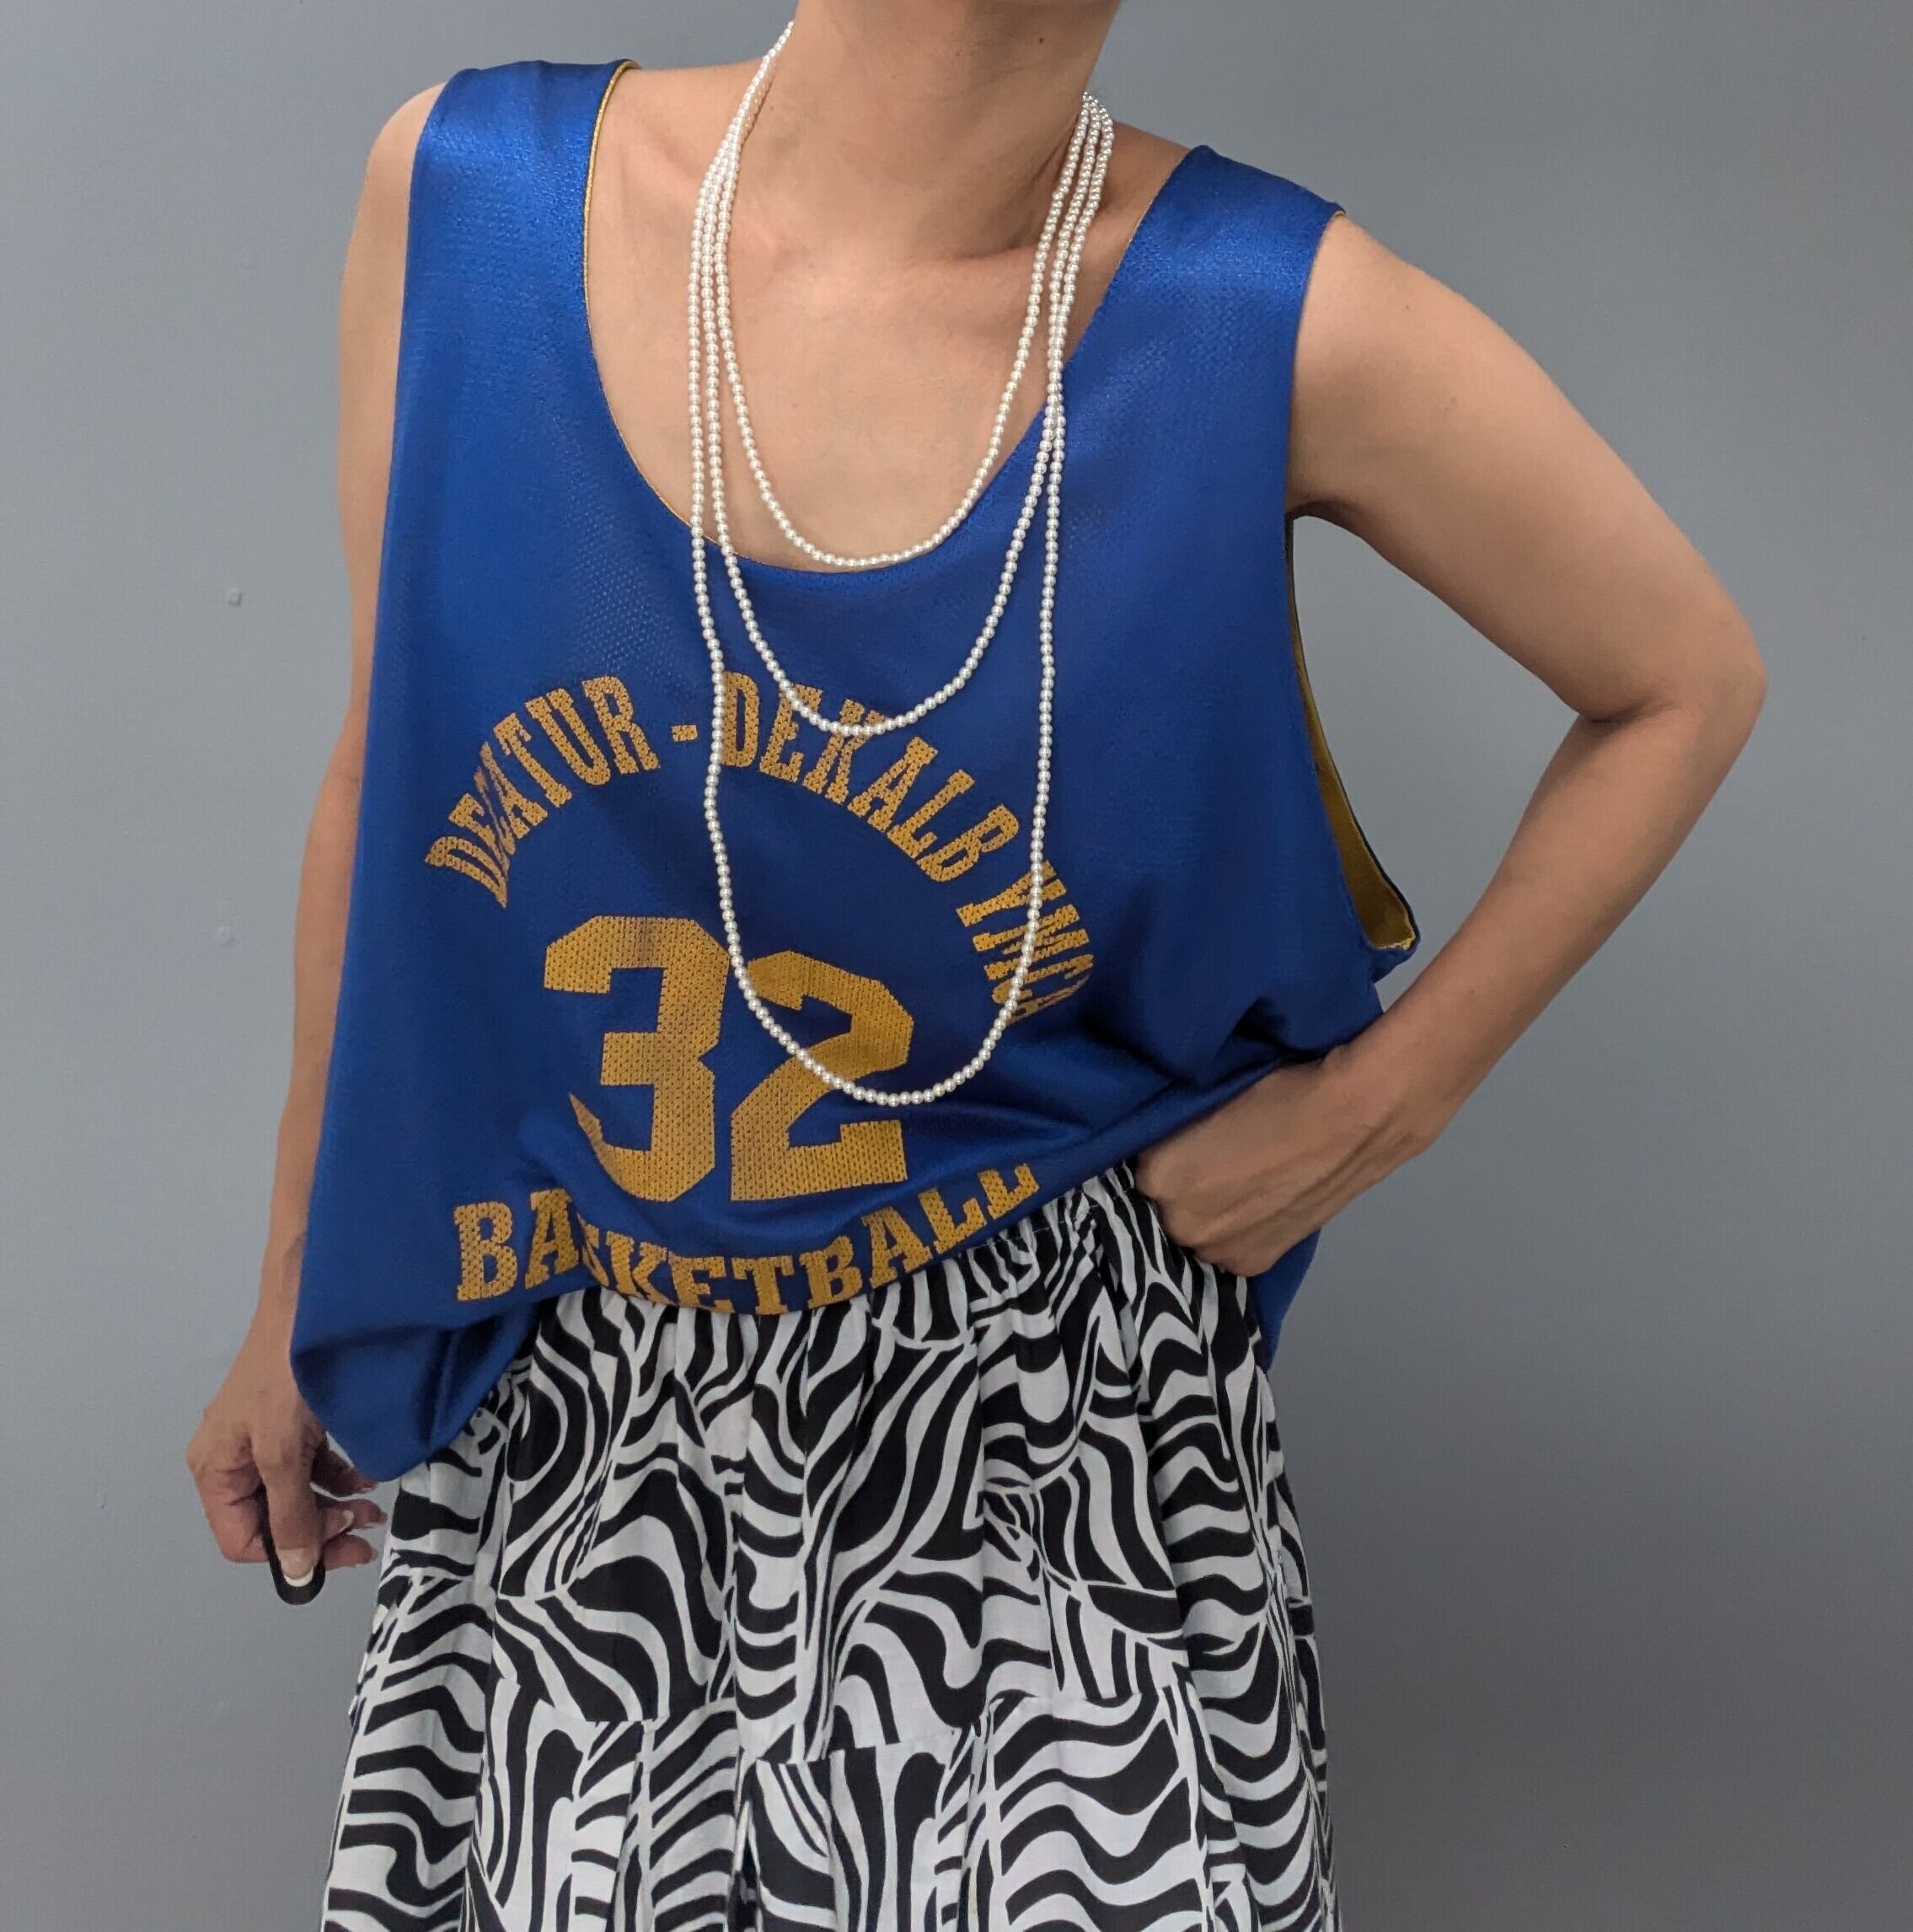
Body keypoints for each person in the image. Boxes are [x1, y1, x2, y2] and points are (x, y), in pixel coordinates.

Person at [185, 4, 1766, 1927]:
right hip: (588, 1423)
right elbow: (393, 766)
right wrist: (298, 1280)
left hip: (1061, 1452)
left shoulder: (1260, 313)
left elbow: (1681, 679)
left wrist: (1377, 1111)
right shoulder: (469, 197)